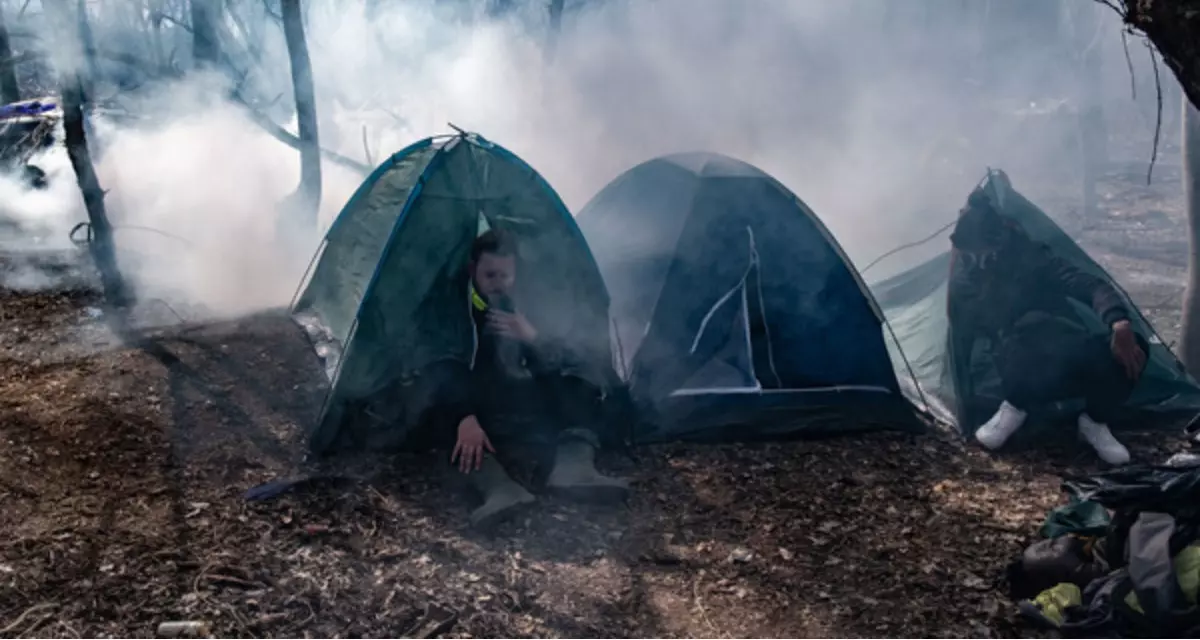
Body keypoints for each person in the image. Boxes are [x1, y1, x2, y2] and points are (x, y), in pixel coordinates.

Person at [416, 229, 629, 529]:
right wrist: (464, 416)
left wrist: (532, 337)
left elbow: (566, 360)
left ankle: (573, 468)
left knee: (585, 377)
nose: (499, 284)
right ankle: (500, 489)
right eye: (490, 275)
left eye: (506, 276)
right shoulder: (455, 307)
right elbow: (444, 368)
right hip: (482, 410)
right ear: (471, 270)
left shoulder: (533, 302)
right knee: (439, 417)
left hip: (529, 407)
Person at [947, 189, 1148, 464]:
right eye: (969, 255)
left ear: (998, 244)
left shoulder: (1036, 262)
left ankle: (1094, 423)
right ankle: (1013, 409)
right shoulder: (966, 279)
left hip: (1068, 348)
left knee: (1135, 348)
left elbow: (1091, 286)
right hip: (1020, 364)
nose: (977, 260)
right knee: (1025, 352)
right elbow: (962, 331)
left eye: (980, 253)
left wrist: (1119, 322)